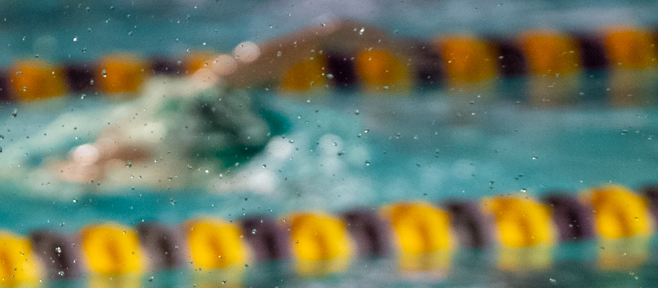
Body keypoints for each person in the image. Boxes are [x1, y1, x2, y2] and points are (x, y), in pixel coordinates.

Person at [46, 21, 410, 187]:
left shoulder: (212, 98)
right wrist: (402, 50)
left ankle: (80, 166)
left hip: (191, 149)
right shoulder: (214, 86)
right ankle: (82, 165)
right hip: (185, 135)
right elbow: (330, 31)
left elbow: (330, 32)